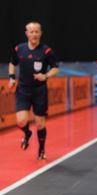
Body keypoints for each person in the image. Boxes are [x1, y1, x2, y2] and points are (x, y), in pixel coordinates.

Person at [8, 21, 60, 160]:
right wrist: (12, 78)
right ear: (27, 34)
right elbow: (12, 63)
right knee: (21, 121)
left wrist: (46, 75)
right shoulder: (19, 49)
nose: (34, 34)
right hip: (23, 90)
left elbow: (56, 67)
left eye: (37, 31)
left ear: (41, 33)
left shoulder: (46, 51)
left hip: (39, 91)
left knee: (40, 123)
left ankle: (41, 150)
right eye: (31, 32)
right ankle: (27, 133)